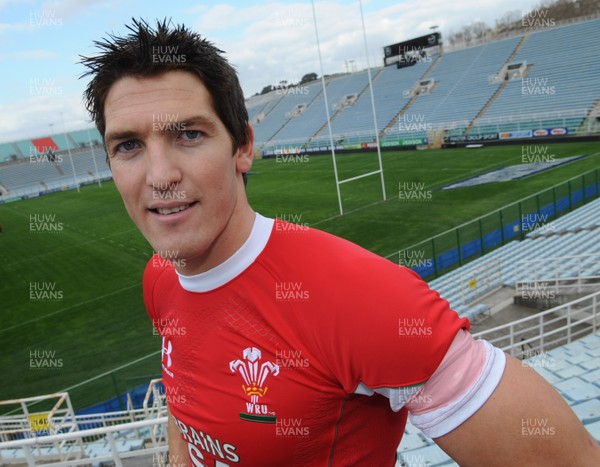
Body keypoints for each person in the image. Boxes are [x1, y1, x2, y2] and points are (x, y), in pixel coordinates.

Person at [81, 18, 600, 466]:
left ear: (243, 146)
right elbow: (184, 407)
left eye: (188, 135)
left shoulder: (354, 296)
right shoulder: (160, 278)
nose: (160, 174)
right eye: (128, 146)